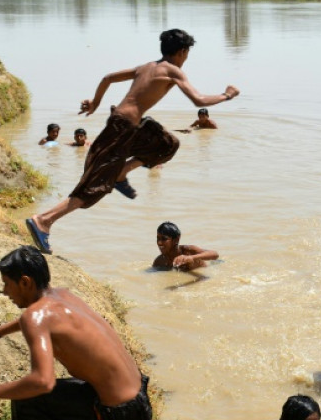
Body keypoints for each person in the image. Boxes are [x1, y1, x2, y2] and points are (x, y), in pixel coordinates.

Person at [25, 28, 240, 254]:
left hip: (127, 125)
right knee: (95, 186)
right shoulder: (174, 71)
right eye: (187, 54)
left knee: (167, 144)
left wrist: (96, 103)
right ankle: (44, 220)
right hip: (121, 128)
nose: (186, 58)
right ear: (183, 51)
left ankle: (121, 172)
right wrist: (227, 95)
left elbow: (108, 78)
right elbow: (199, 100)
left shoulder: (146, 67)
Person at [0, 246, 161, 420]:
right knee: (28, 402)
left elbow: (42, 381)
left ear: (25, 282)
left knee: (32, 395)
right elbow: (43, 319)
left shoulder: (34, 317)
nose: (5, 291)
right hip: (136, 394)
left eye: (7, 284)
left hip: (121, 415)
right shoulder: (63, 295)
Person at [152, 221, 219, 271]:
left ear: (176, 239)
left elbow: (215, 255)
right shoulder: (159, 261)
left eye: (164, 239)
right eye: (158, 239)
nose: (159, 243)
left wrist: (192, 258)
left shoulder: (188, 251)